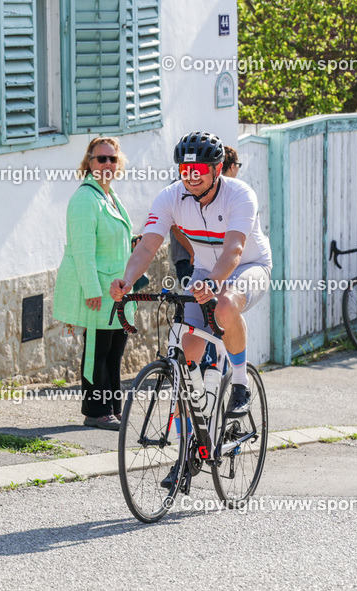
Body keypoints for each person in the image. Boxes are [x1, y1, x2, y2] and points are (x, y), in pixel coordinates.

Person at [110, 132, 271, 484]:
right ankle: (189, 452)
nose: (191, 175)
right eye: (185, 168)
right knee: (186, 360)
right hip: (202, 272)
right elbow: (147, 246)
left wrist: (213, 284)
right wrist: (126, 280)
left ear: (216, 169)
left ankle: (241, 384)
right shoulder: (171, 196)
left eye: (198, 168)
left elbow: (234, 252)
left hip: (248, 267)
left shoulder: (239, 195)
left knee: (226, 306)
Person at [52, 137, 135, 430]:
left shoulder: (109, 196)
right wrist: (91, 291)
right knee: (97, 353)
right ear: (89, 163)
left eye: (113, 159)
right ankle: (96, 411)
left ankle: (113, 408)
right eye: (101, 159)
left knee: (114, 353)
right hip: (99, 289)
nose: (108, 164)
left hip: (118, 292)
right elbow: (83, 251)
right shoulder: (85, 199)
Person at [167, 146, 242, 289]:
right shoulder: (180, 186)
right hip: (189, 258)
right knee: (198, 305)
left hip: (213, 261)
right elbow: (174, 226)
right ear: (231, 166)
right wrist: (193, 252)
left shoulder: (230, 192)